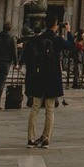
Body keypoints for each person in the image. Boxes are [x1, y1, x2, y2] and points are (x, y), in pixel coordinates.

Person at [24, 20, 69, 149]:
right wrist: (68, 31)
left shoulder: (37, 39)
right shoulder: (57, 39)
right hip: (52, 78)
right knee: (50, 110)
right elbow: (71, 45)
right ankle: (46, 139)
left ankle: (31, 139)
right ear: (55, 25)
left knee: (35, 109)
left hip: (39, 77)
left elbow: (29, 55)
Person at [0, 22, 17, 111]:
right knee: (1, 82)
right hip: (6, 63)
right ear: (10, 29)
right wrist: (16, 63)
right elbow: (14, 52)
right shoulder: (11, 39)